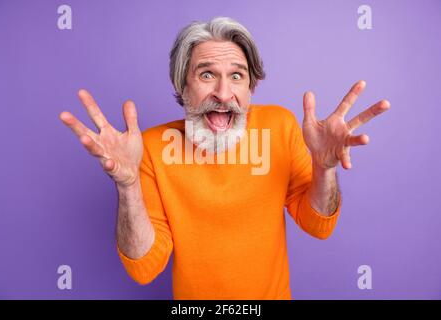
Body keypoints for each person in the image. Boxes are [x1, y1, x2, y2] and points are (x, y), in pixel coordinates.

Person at [59, 17, 390, 299]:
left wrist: (324, 167)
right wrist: (128, 185)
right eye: (206, 75)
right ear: (182, 85)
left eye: (237, 76)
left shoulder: (280, 125)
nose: (223, 92)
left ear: (250, 89)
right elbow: (144, 268)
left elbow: (318, 225)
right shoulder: (150, 148)